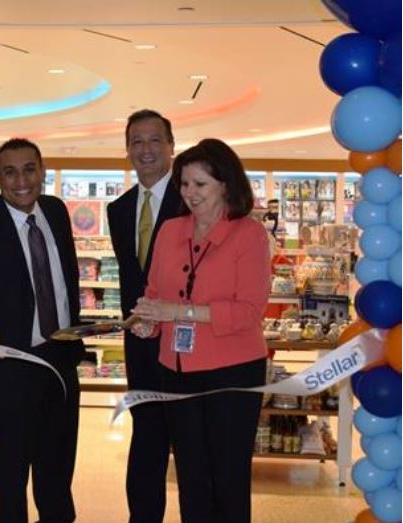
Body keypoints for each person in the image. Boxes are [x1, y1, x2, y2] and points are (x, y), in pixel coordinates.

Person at [131, 138, 271, 523]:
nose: (189, 193)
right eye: (184, 184)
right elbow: (155, 293)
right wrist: (148, 322)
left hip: (233, 373)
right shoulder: (169, 231)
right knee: (190, 475)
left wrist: (177, 311)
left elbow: (249, 312)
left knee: (228, 475)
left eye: (200, 184)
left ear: (226, 184)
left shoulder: (249, 234)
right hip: (176, 371)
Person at [0, 138, 84, 523]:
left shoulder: (56, 211)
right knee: (10, 470)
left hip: (61, 358)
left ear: (42, 171)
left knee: (58, 465)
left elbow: (66, 277)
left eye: (29, 170)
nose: (21, 181)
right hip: (13, 363)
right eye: (10, 172)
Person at [106, 109, 182, 523]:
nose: (146, 149)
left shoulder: (192, 199)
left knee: (190, 444)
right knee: (147, 438)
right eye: (137, 141)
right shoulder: (118, 210)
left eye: (155, 140)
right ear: (127, 149)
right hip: (139, 345)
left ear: (171, 146)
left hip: (187, 344)